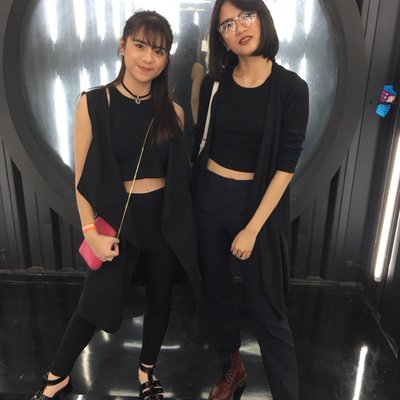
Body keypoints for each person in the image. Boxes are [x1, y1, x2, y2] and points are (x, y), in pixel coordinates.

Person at [31, 10, 199, 400]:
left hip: (164, 221)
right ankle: (57, 376)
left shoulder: (173, 112)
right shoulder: (93, 103)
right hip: (119, 221)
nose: (148, 58)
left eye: (159, 51)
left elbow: (181, 178)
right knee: (93, 302)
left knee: (161, 297)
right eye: (140, 45)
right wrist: (90, 231)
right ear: (122, 46)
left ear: (166, 59)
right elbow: (82, 177)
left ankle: (146, 370)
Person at [191, 1, 309, 399]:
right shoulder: (215, 83)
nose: (238, 28)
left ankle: (287, 392)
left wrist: (253, 228)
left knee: (267, 307)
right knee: (217, 291)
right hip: (209, 198)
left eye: (245, 16)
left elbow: (286, 167)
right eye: (227, 24)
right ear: (220, 38)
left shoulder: (291, 88)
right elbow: (201, 141)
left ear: (262, 18)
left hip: (255, 205)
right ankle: (232, 368)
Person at [170, 22, 205, 157]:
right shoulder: (197, 67)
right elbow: (194, 98)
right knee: (187, 155)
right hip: (188, 114)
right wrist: (197, 123)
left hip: (172, 109)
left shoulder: (171, 60)